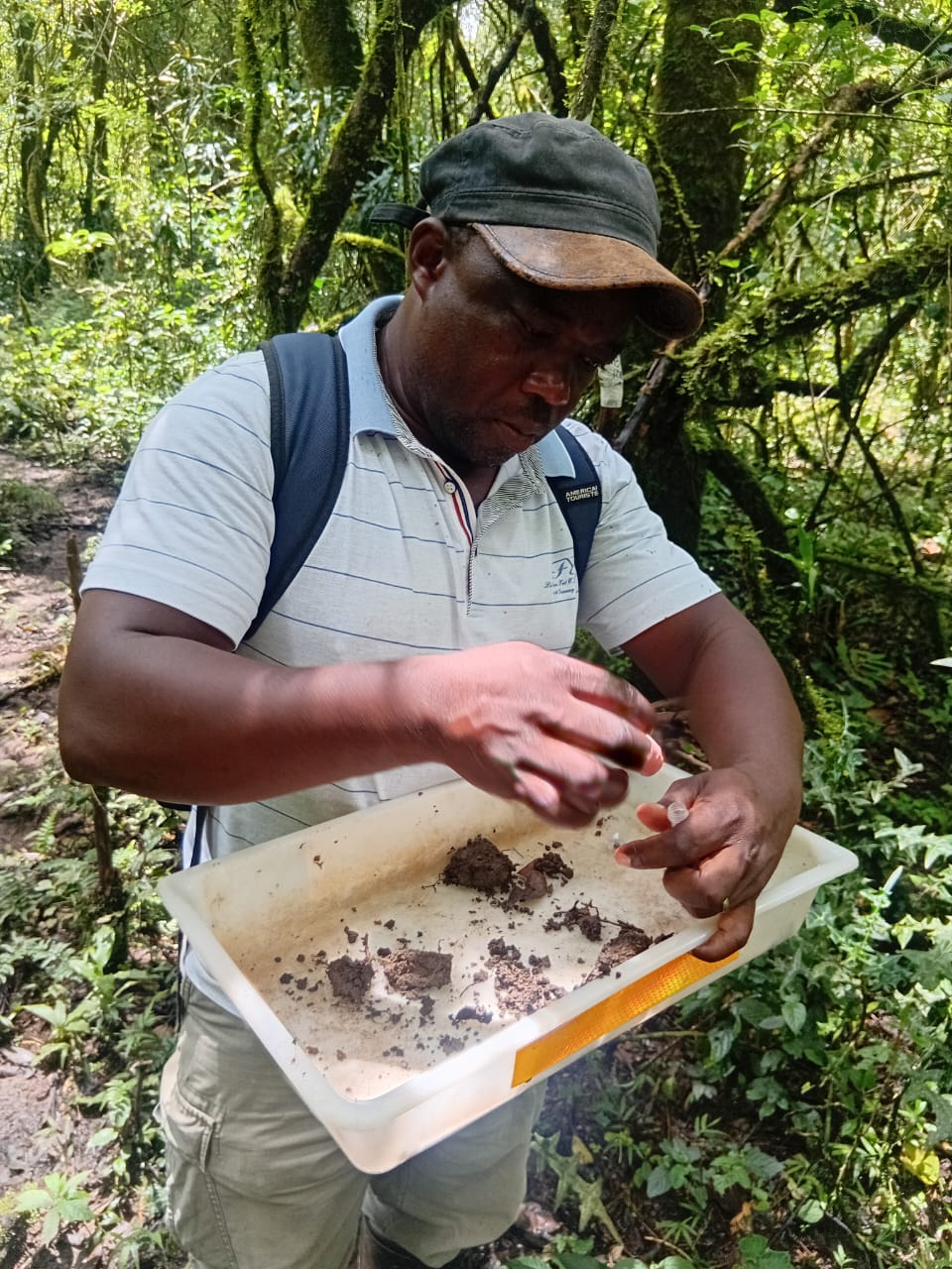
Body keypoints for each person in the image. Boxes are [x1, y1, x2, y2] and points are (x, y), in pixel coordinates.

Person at [58, 113, 803, 1269]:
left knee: (449, 1228)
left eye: (592, 356)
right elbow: (102, 711)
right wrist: (423, 707)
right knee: (265, 1249)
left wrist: (758, 789)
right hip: (273, 986)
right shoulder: (255, 420)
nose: (558, 384)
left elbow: (711, 644)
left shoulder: (573, 477)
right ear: (426, 263)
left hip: (500, 977)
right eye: (531, 324)